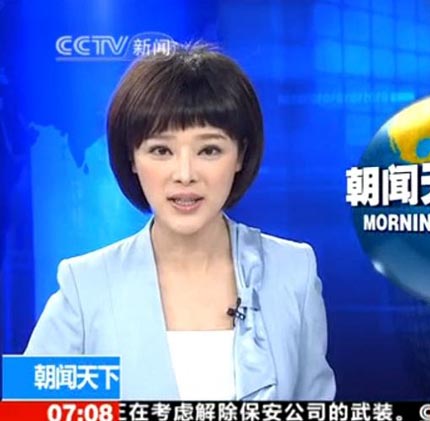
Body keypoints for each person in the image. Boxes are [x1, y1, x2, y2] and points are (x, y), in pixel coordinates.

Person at [25, 43, 336, 401]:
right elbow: (30, 408)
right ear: (132, 158)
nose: (185, 174)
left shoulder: (292, 271)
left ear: (240, 155)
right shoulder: (87, 285)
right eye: (161, 150)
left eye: (209, 150)